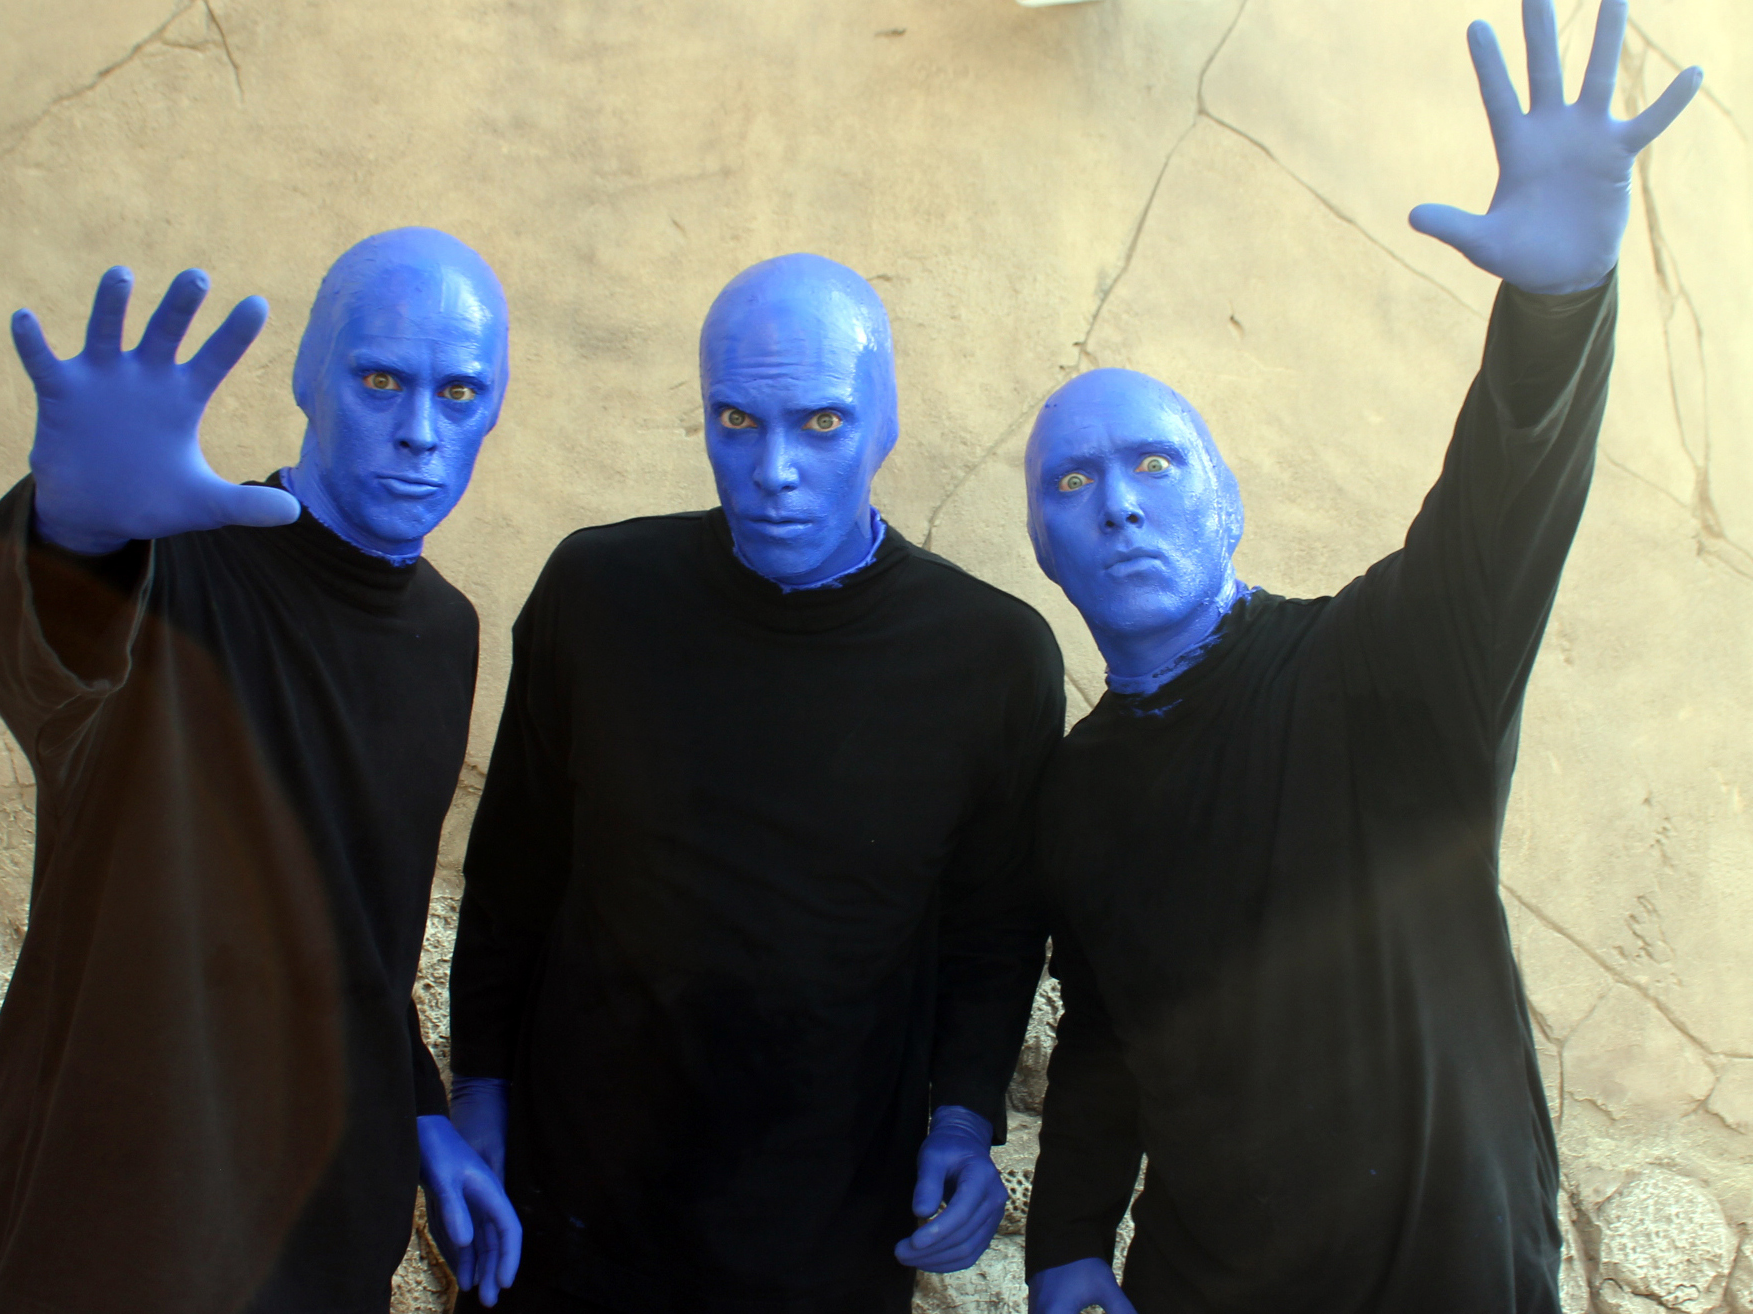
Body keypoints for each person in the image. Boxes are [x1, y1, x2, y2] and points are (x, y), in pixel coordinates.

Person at [1018, 3, 1703, 1311]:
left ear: (1227, 503)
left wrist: (1554, 311)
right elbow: (1107, 1032)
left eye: (1154, 463)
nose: (1117, 504)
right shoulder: (1074, 790)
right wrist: (1065, 1243)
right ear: (1044, 549)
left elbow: (1499, 512)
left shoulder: (1384, 667)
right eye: (1070, 482)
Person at [446, 253, 1065, 1312]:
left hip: (823, 1225)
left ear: (885, 423)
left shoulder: (992, 657)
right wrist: (479, 1087)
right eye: (737, 421)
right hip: (568, 1209)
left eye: (821, 423)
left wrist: (964, 1119)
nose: (774, 468)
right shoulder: (597, 593)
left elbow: (995, 929)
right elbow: (513, 868)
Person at [0, 228, 522, 1314]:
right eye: (381, 381)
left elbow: (359, 927)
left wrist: (419, 1109)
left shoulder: (446, 633)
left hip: (322, 1238)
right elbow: (28, 643)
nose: (419, 430)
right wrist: (68, 530)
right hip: (110, 1231)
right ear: (309, 378)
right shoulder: (170, 564)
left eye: (459, 392)